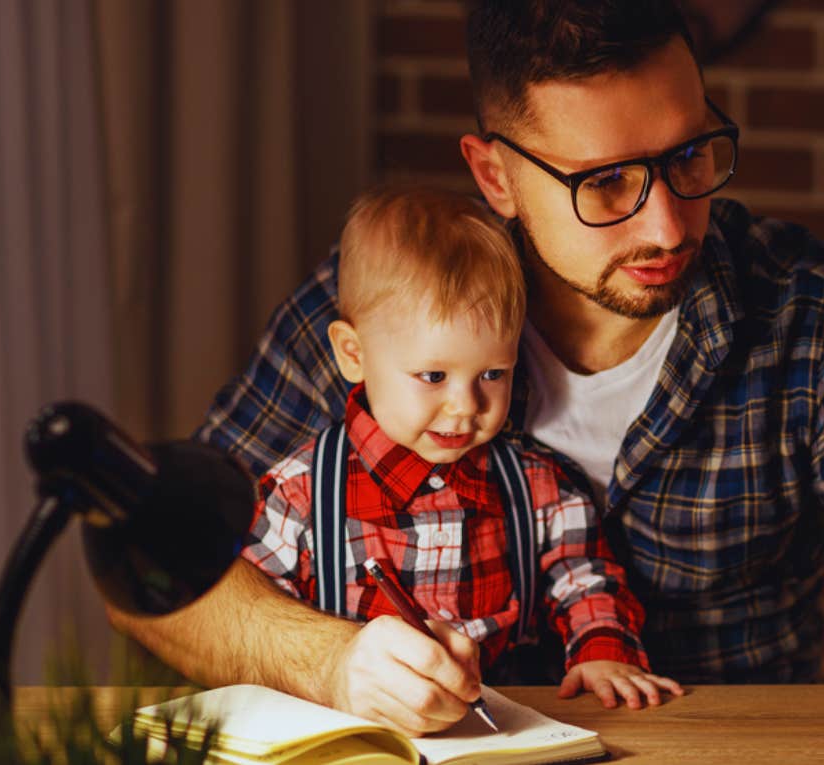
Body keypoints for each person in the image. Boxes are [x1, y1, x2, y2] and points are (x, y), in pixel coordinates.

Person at [107, 3, 824, 763]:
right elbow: (153, 565)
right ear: (495, 175)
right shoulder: (374, 318)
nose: (667, 223)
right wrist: (332, 661)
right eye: (607, 181)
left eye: (690, 155)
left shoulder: (810, 321)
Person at [238, 186, 682, 729]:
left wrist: (602, 651)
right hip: (356, 735)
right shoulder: (301, 494)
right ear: (354, 354)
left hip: (508, 732)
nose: (465, 405)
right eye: (433, 376)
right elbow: (259, 619)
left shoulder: (535, 487)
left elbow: (584, 575)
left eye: (492, 374)